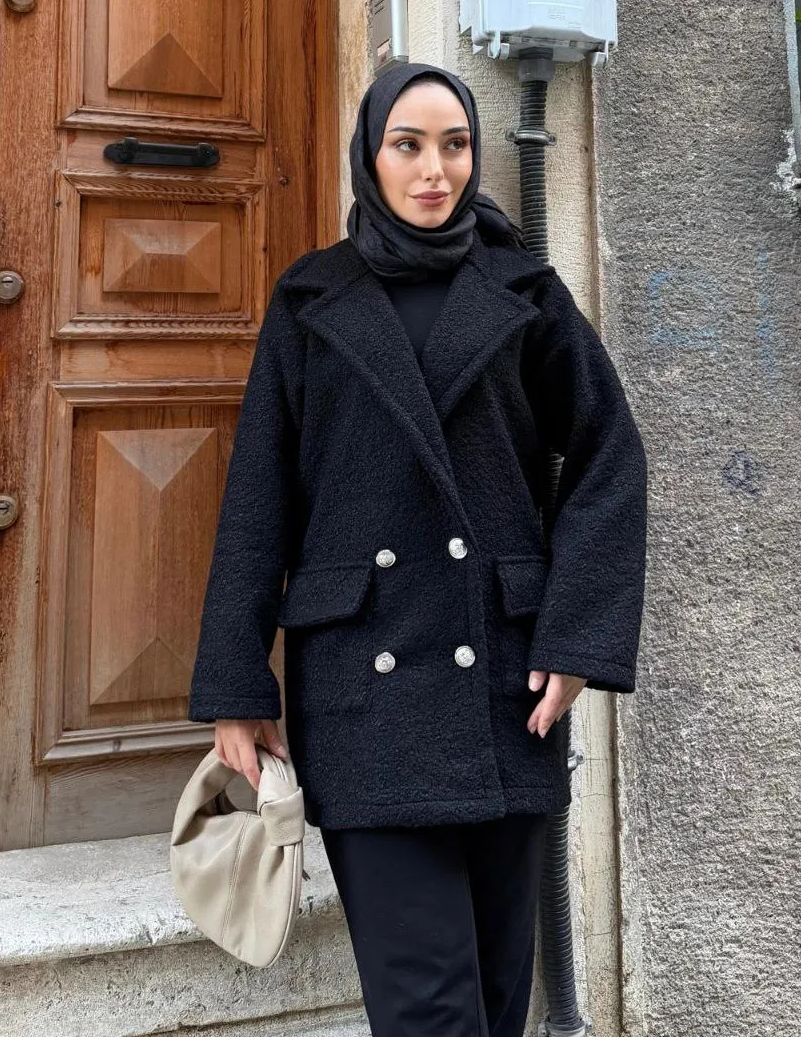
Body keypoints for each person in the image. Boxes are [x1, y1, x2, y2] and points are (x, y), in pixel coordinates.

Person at [187, 61, 648, 1036]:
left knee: (494, 1000)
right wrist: (235, 681)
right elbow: (260, 495)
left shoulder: (523, 293)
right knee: (430, 1012)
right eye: (408, 145)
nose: (434, 170)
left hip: (505, 690)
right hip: (365, 691)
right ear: (371, 154)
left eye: (454, 145)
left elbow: (607, 457)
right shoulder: (311, 298)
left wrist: (574, 638)